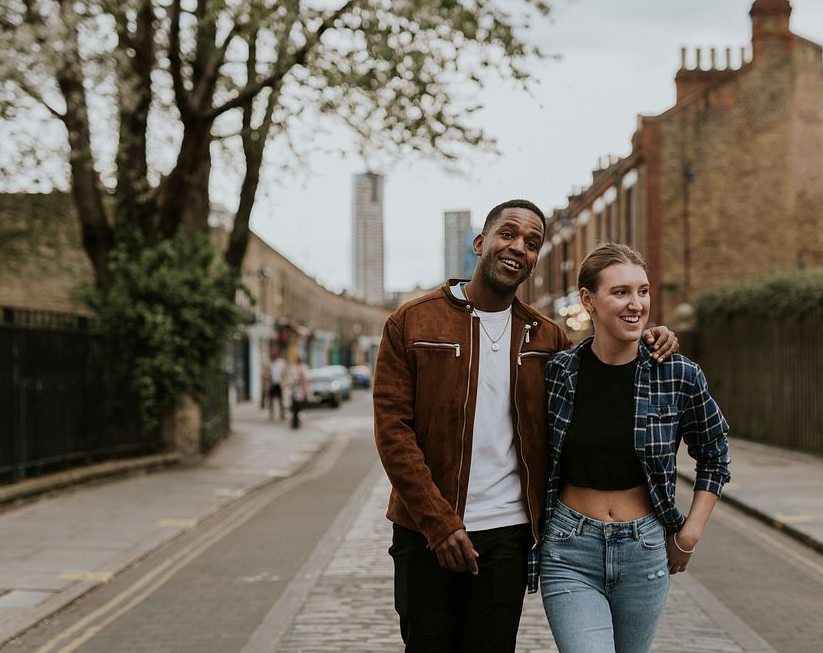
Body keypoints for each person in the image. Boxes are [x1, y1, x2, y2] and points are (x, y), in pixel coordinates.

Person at [372, 200, 680, 652]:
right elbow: (392, 431)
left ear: (535, 260)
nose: (518, 246)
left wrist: (650, 335)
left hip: (507, 536)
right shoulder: (412, 322)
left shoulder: (547, 337)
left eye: (532, 242)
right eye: (508, 234)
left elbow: (602, 362)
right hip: (424, 531)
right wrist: (438, 524)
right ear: (480, 243)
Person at [533, 243, 731, 653]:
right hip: (570, 550)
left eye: (642, 291)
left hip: (644, 551)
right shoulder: (558, 373)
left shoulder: (677, 374)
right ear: (588, 300)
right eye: (620, 292)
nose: (636, 304)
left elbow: (713, 453)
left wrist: (689, 534)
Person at [286, 354, 310, 429]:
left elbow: (307, 379)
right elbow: (290, 379)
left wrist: (307, 392)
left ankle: (297, 421)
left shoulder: (304, 367)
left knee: (299, 408)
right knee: (294, 407)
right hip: (294, 391)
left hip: (301, 391)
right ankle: (294, 422)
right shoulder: (292, 368)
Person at [268, 352, 287, 420]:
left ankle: (282, 414)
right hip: (272, 384)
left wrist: (284, 383)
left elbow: (284, 374)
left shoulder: (281, 364)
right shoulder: (269, 364)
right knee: (271, 401)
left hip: (279, 384)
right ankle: (271, 415)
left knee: (281, 400)